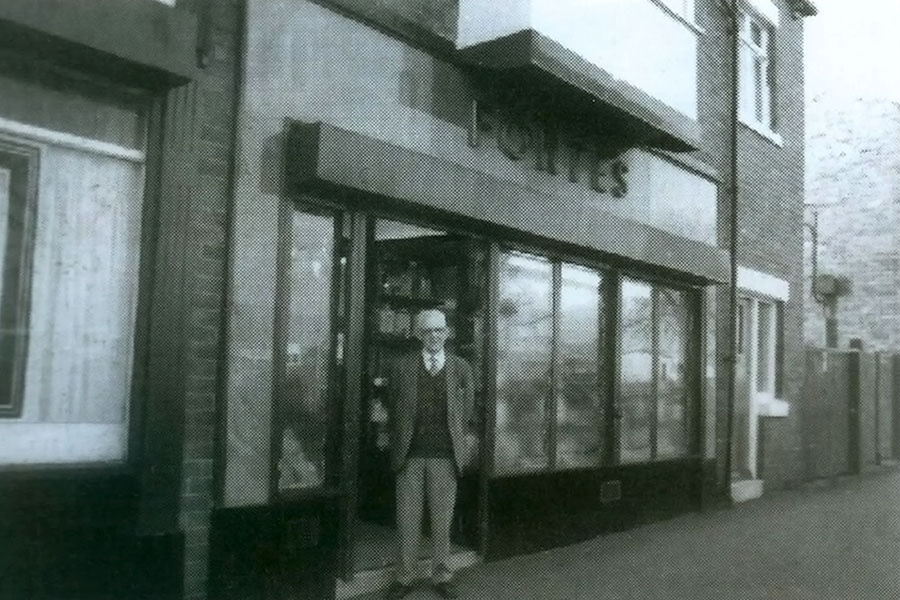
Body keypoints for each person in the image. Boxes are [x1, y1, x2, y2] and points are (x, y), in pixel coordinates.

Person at [379, 309, 475, 600]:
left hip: (445, 455)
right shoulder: (401, 366)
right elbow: (393, 406)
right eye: (428, 331)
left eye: (439, 330)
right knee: (407, 518)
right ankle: (404, 578)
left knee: (442, 519)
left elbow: (466, 409)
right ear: (419, 335)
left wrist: (455, 437)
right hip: (410, 455)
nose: (434, 336)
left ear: (446, 333)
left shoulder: (460, 368)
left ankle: (442, 575)